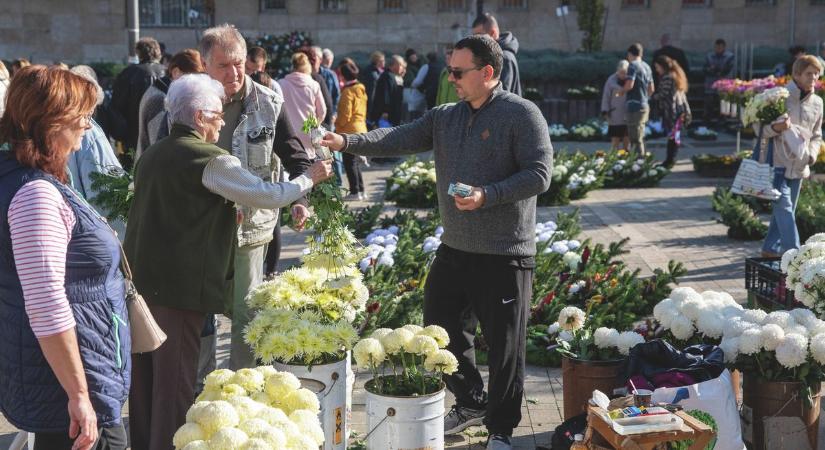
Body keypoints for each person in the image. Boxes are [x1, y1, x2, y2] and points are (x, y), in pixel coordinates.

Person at [320, 34, 552, 450]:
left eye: (458, 71)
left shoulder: (522, 114)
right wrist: (347, 141)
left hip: (505, 254)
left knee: (505, 349)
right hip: (455, 248)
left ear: (487, 73)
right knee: (439, 330)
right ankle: (471, 400)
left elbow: (539, 174)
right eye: (450, 69)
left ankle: (500, 430)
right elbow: (400, 137)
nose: (451, 78)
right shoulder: (446, 116)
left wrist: (487, 195)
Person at [124, 73, 332, 450]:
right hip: (179, 290)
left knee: (146, 385)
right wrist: (309, 180)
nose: (222, 123)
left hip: (144, 285)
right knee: (174, 387)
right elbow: (266, 194)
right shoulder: (210, 159)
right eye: (218, 116)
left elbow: (174, 208)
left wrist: (219, 214)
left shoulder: (154, 153)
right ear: (201, 117)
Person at [0, 65, 130, 450]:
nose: (86, 129)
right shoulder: (33, 195)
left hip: (70, 375)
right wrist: (78, 395)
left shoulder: (29, 179)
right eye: (81, 118)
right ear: (51, 124)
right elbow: (45, 303)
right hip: (69, 386)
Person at [200, 24, 313, 371]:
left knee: (247, 313)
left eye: (239, 63)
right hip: (201, 230)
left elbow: (297, 157)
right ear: (204, 65)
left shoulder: (268, 102)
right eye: (224, 65)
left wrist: (299, 200)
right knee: (201, 310)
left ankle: (242, 388)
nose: (235, 72)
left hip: (251, 228)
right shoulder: (191, 101)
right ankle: (199, 386)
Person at [758, 56, 823, 257]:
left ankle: (769, 249)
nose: (814, 77)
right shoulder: (778, 97)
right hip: (777, 163)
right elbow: (758, 128)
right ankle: (794, 255)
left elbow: (817, 134)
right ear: (796, 74)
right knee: (784, 209)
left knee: (785, 212)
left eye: (817, 73)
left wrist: (811, 156)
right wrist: (776, 128)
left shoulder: (818, 102)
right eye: (809, 73)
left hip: (800, 165)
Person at [66, 65, 127, 236]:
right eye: (87, 113)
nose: (88, 123)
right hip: (89, 242)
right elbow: (108, 197)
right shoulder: (89, 135)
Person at [136, 49, 204, 158]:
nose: (197, 84)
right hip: (155, 170)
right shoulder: (159, 98)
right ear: (176, 72)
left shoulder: (165, 93)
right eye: (193, 77)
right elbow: (159, 146)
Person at [111, 37, 166, 151]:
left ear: (138, 53)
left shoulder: (127, 74)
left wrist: (122, 136)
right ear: (158, 51)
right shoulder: (168, 72)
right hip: (164, 135)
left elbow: (116, 107)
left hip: (133, 138)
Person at [279, 52, 328, 156]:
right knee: (316, 168)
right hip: (311, 132)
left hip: (289, 133)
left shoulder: (281, 84)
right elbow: (322, 111)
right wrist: (316, 124)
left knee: (294, 168)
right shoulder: (314, 85)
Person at [335, 60, 368, 200]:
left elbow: (345, 115)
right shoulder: (361, 88)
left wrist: (337, 126)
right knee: (355, 162)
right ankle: (361, 190)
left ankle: (355, 191)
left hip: (349, 129)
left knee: (349, 162)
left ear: (342, 76)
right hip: (361, 127)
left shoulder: (347, 92)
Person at [651, 56, 691, 168]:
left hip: (672, 112)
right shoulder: (675, 75)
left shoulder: (668, 78)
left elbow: (664, 94)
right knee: (674, 137)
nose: (657, 70)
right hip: (679, 111)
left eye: (657, 67)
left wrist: (651, 97)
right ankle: (670, 159)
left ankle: (670, 160)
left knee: (672, 137)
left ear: (663, 66)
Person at [472, 13, 522, 97]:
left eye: (479, 35)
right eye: (474, 36)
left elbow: (502, 96)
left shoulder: (504, 57)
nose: (476, 40)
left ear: (493, 33)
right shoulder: (491, 54)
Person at [623, 43, 654, 156]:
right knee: (640, 135)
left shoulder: (633, 66)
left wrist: (621, 91)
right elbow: (651, 89)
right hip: (644, 105)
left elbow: (629, 85)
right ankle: (640, 159)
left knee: (635, 137)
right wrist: (645, 98)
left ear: (630, 54)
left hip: (634, 105)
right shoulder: (647, 66)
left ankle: (638, 162)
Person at [703, 38, 734, 124]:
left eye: (720, 47)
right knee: (709, 104)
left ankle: (722, 122)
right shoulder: (709, 56)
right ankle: (707, 122)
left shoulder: (729, 56)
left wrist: (714, 69)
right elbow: (705, 69)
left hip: (723, 86)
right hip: (710, 85)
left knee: (723, 105)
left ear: (724, 47)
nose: (718, 49)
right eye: (717, 47)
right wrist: (714, 70)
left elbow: (726, 70)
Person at [601, 60, 630, 152]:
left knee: (627, 138)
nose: (623, 75)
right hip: (615, 115)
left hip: (627, 114)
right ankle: (613, 159)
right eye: (621, 72)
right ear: (617, 71)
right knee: (615, 140)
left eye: (625, 73)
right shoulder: (611, 80)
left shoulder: (631, 80)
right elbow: (606, 96)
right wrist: (605, 111)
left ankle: (627, 158)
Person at [370, 55, 406, 127]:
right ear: (394, 65)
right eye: (401, 65)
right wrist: (385, 111)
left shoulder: (393, 76)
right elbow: (385, 95)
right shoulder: (387, 77)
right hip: (386, 116)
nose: (402, 68)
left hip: (393, 115)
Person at [361, 51, 385, 126]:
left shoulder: (378, 71)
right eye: (382, 60)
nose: (384, 62)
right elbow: (371, 92)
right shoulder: (372, 73)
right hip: (372, 104)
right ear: (377, 61)